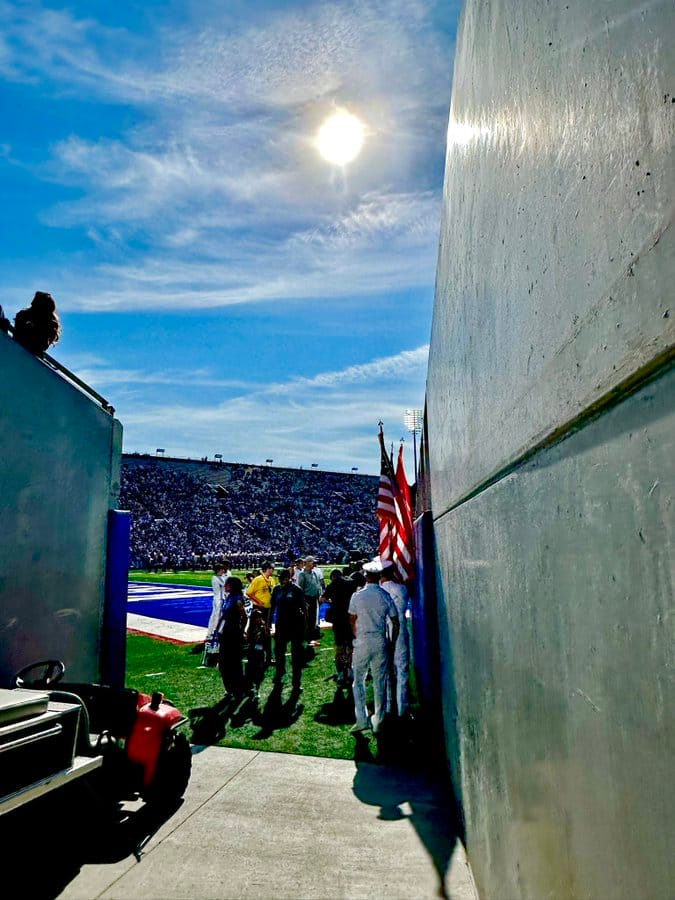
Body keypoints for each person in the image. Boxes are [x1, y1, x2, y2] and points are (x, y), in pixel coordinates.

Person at [348, 564, 399, 735]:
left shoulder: (357, 596)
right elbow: (395, 622)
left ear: (366, 576)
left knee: (358, 681)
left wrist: (357, 635)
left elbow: (352, 619)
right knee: (380, 681)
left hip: (363, 640)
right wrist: (392, 642)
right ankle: (379, 719)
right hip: (379, 639)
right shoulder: (385, 596)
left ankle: (361, 719)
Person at [379, 563, 411, 718]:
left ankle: (388, 706)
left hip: (383, 630)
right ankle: (402, 708)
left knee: (385, 670)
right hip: (399, 628)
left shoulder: (377, 591)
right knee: (401, 669)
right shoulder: (401, 589)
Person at [270, 568, 307, 690]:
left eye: (283, 578)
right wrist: (269, 623)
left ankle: (296, 682)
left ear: (289, 578)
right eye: (280, 578)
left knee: (296, 655)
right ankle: (280, 673)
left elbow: (304, 608)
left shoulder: (296, 590)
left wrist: (304, 626)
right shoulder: (276, 589)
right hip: (281, 625)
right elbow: (272, 607)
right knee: (279, 652)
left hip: (295, 625)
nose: (281, 581)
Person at [321, 569, 356, 686]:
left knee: (340, 647)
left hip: (338, 619)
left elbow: (322, 599)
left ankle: (340, 673)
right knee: (351, 647)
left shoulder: (333, 584)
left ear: (332, 577)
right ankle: (350, 671)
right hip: (350, 618)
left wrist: (332, 602)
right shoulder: (351, 582)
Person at [217, 576, 247, 699]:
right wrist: (217, 630)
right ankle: (229, 688)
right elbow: (223, 616)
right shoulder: (229, 597)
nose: (225, 586)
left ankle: (238, 689)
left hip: (233, 634)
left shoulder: (237, 599)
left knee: (234, 663)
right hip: (224, 633)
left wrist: (241, 631)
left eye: (227, 584)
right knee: (223, 663)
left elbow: (244, 617)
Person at [245, 562, 275, 666]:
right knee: (257, 632)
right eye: (272, 568)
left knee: (267, 632)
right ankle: (254, 655)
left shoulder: (271, 580)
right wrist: (259, 602)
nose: (273, 570)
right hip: (258, 609)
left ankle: (268, 657)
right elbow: (249, 593)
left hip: (268, 609)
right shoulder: (258, 580)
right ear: (267, 568)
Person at [204, 563, 230, 666]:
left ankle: (215, 631)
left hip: (222, 598)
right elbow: (224, 585)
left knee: (220, 617)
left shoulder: (221, 577)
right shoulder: (215, 578)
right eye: (221, 569)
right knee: (216, 617)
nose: (223, 571)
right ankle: (212, 632)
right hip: (218, 599)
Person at [297, 556, 322, 646]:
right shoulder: (302, 574)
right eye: (312, 562)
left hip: (314, 598)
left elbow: (317, 585)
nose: (313, 564)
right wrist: (303, 601)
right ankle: (306, 638)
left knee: (312, 619)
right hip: (307, 599)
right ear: (307, 563)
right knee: (307, 620)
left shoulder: (314, 573)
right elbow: (300, 589)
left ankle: (311, 638)